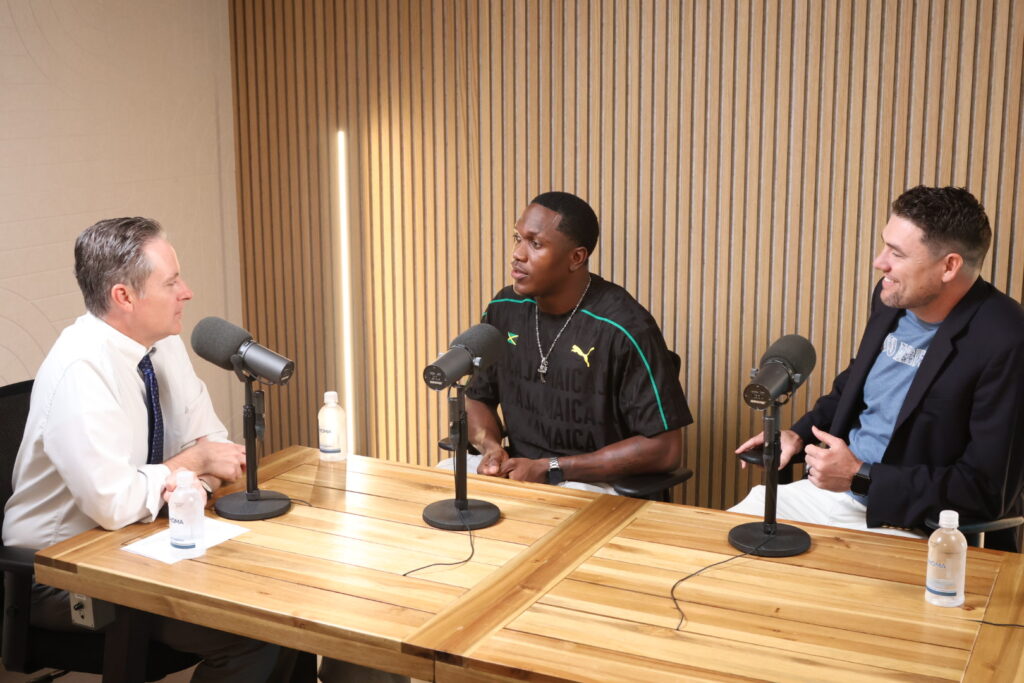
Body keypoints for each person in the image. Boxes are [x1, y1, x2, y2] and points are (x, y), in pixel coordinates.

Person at [3, 217, 295, 681]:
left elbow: (216, 447)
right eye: (172, 282)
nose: (187, 293)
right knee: (255, 633)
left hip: (142, 543)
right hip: (59, 573)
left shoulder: (162, 345)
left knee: (287, 607)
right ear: (124, 296)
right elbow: (114, 504)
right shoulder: (80, 368)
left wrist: (187, 477)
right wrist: (192, 466)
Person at [731, 186, 1024, 551]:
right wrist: (798, 434)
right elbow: (853, 386)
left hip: (916, 525)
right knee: (716, 546)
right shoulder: (891, 298)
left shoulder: (1006, 339)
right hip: (832, 495)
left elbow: (986, 490)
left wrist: (861, 477)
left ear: (949, 266)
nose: (879, 262)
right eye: (885, 245)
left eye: (897, 253)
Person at [440, 191, 692, 493]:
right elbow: (478, 396)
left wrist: (551, 468)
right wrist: (491, 449)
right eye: (517, 238)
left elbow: (665, 450)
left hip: (595, 484)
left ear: (576, 258)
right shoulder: (504, 309)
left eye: (535, 244)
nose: (517, 254)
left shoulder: (624, 327)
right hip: (519, 473)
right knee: (438, 489)